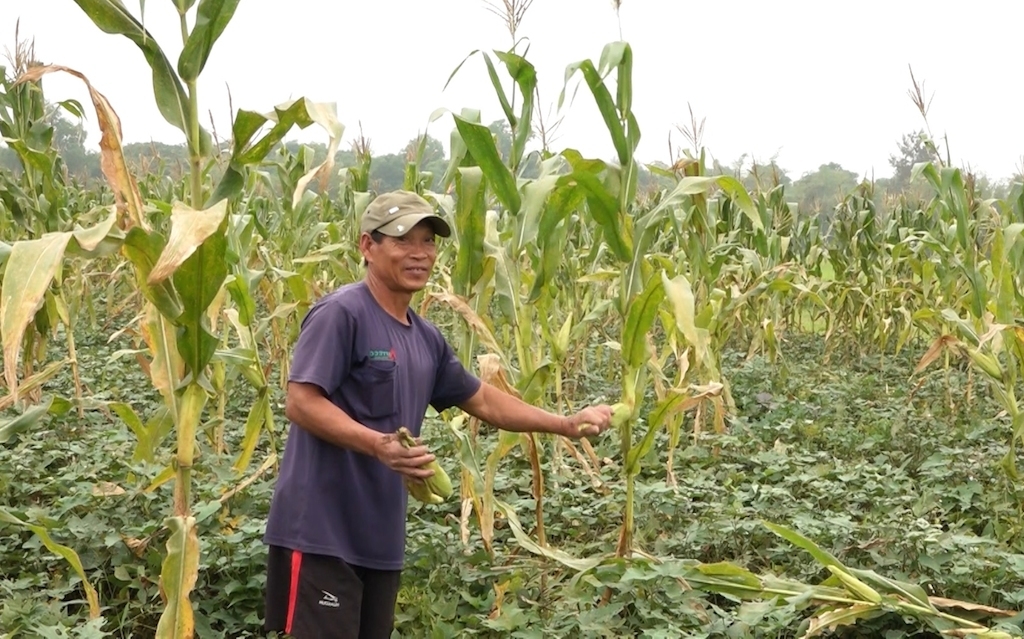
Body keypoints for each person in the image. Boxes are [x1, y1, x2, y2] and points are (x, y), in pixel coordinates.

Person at [262, 189, 613, 639]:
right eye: (402, 240)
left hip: (379, 540)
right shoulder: (342, 314)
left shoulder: (426, 338)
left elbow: (482, 400)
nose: (419, 253)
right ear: (367, 246)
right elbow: (301, 401)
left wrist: (564, 424)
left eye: (428, 241)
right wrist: (378, 445)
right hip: (319, 534)